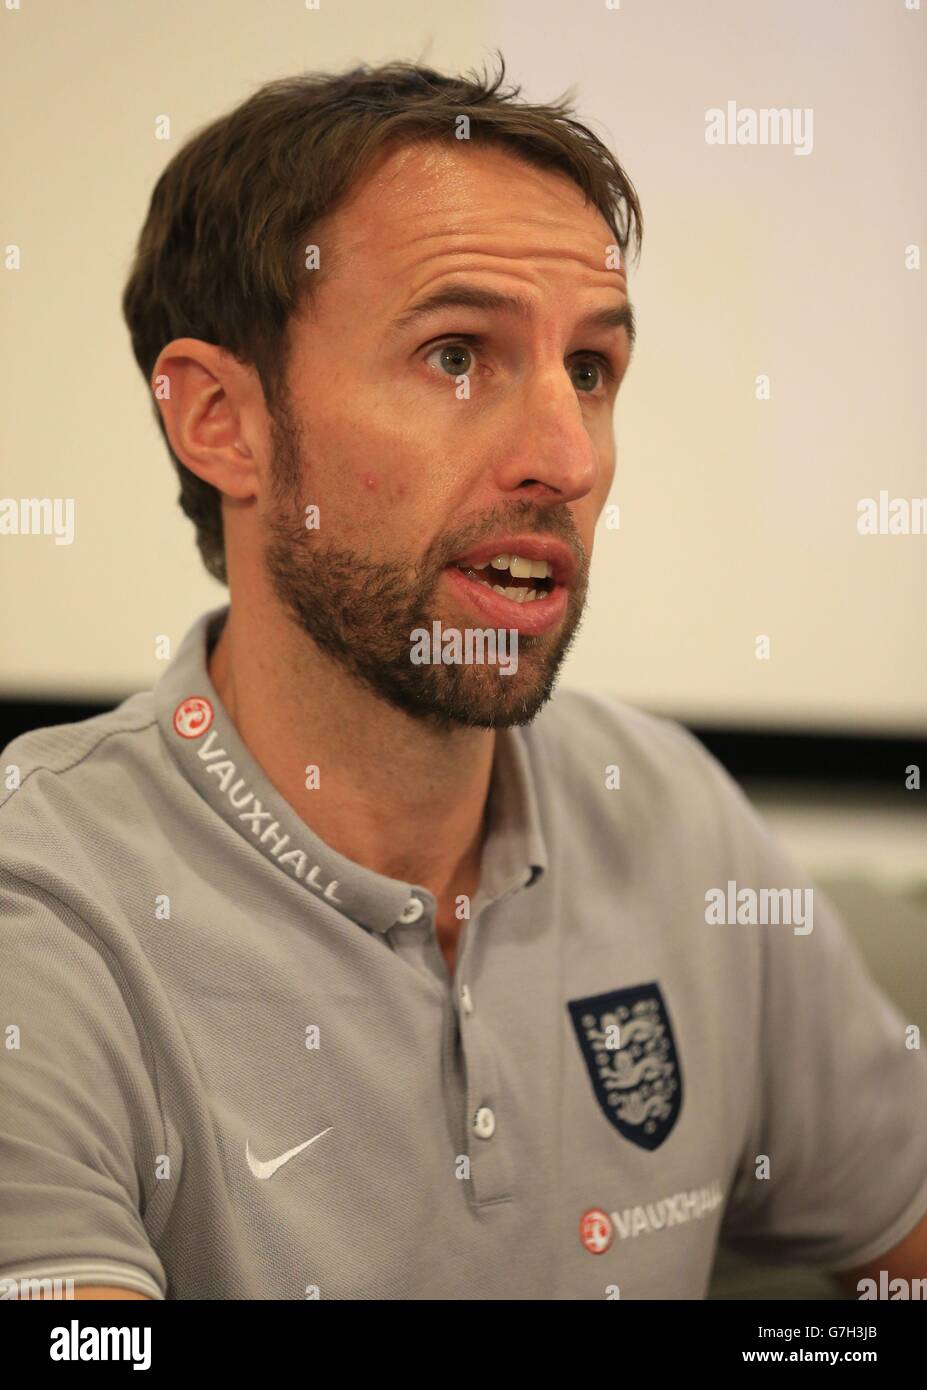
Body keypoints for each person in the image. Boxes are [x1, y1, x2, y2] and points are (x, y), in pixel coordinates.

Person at [2, 57, 926, 1302]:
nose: (565, 456)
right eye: (455, 356)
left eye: (590, 371)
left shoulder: (671, 815)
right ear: (222, 421)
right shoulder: (45, 909)